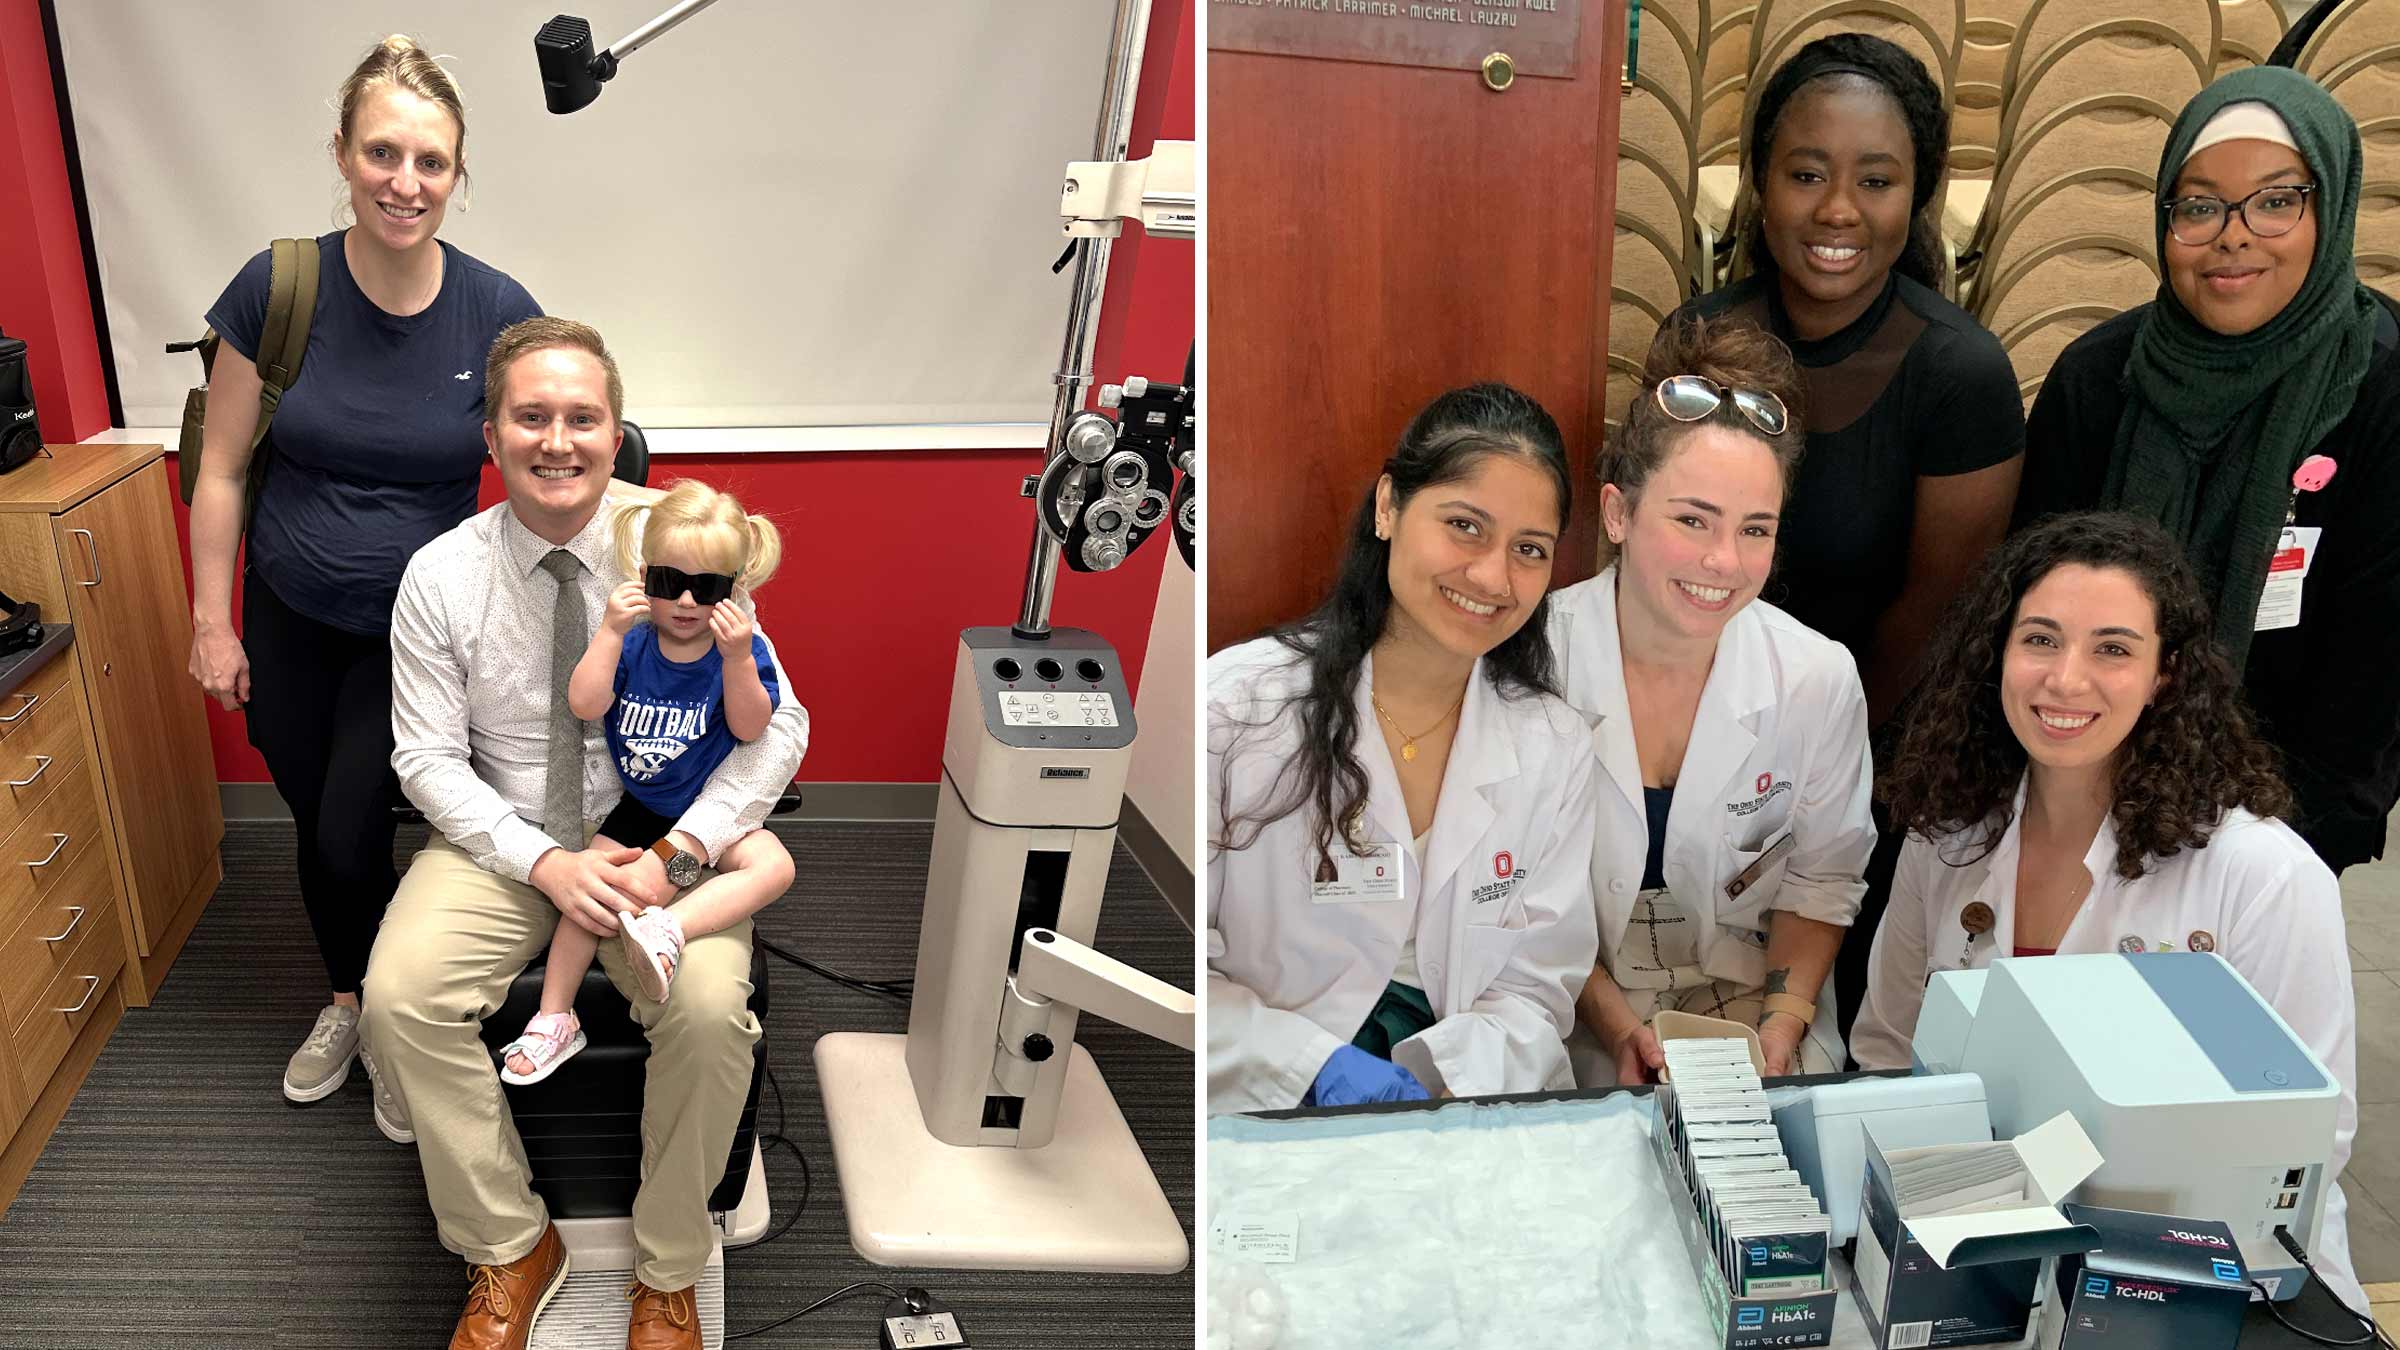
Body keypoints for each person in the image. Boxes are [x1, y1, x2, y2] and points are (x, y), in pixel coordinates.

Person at [363, 318, 807, 1350]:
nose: (556, 441)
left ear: (616, 433)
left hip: (661, 838)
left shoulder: (681, 540)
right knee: (400, 998)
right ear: (493, 435)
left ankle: (666, 1271)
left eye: (582, 418)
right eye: (531, 417)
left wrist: (675, 855)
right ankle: (510, 1242)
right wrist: (545, 860)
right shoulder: (441, 573)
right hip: (510, 837)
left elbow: (778, 723)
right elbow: (425, 758)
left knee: (705, 1011)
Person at [1852, 510, 2361, 1312]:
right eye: (2041, 640)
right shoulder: (1948, 838)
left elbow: (2310, 1140)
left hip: (2214, 1282)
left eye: (2114, 650)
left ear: (2167, 674)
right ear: (1999, 654)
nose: (2066, 679)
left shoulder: (2263, 876)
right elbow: (1885, 1053)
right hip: (1985, 1256)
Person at [183, 35, 542, 1110]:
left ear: (458, 173)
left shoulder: (496, 310)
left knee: (349, 828)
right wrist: (212, 622)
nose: (406, 182)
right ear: (342, 154)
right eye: (383, 153)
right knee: (315, 818)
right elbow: (219, 469)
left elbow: (543, 459)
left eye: (431, 161)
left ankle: (394, 1022)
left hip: (420, 632)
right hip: (288, 610)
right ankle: (351, 999)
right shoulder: (280, 287)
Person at [1677, 33, 2022, 1049]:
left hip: (1879, 751)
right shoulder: (1701, 338)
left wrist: (1810, 762)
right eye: (1807, 173)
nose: (1836, 211)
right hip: (1699, 731)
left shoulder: (1959, 374)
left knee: (1834, 1035)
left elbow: (1934, 618)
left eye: (1875, 179)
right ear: (1758, 181)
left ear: (1914, 197)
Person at [2016, 66, 2400, 877]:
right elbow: (2031, 616)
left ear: (2328, 209)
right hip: (2084, 792)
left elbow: (2374, 673)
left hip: (2287, 819)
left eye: (2275, 201)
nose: (2234, 235)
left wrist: (2271, 851)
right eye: (2198, 206)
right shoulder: (2097, 380)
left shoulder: (2383, 390)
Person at [1206, 384, 1599, 1114]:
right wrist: (1307, 1069)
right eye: (1465, 526)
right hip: (1262, 1098)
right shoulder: (1236, 709)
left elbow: (1539, 988)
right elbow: (1176, 963)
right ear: (1389, 506)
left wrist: (1441, 1077)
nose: (1493, 577)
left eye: (1529, 550)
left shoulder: (1554, 746)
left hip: (1461, 1104)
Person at [1548, 317, 1876, 1083]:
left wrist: (1782, 1029)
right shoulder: (1533, 660)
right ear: (1618, 514)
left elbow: (1822, 881)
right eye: (1692, 520)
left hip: (1754, 995)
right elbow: (1516, 899)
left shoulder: (1815, 677)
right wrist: (1621, 1028)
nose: (1723, 562)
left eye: (1754, 529)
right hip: (1572, 999)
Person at [497, 480, 797, 1085]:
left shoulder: (740, 650)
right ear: (643, 578)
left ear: (735, 591)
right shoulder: (632, 642)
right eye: (668, 583)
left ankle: (668, 929)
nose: (686, 602)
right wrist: (608, 631)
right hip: (641, 807)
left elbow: (751, 726)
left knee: (775, 866)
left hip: (709, 816)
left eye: (708, 589)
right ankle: (554, 1017)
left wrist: (739, 659)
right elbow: (584, 704)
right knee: (591, 899)